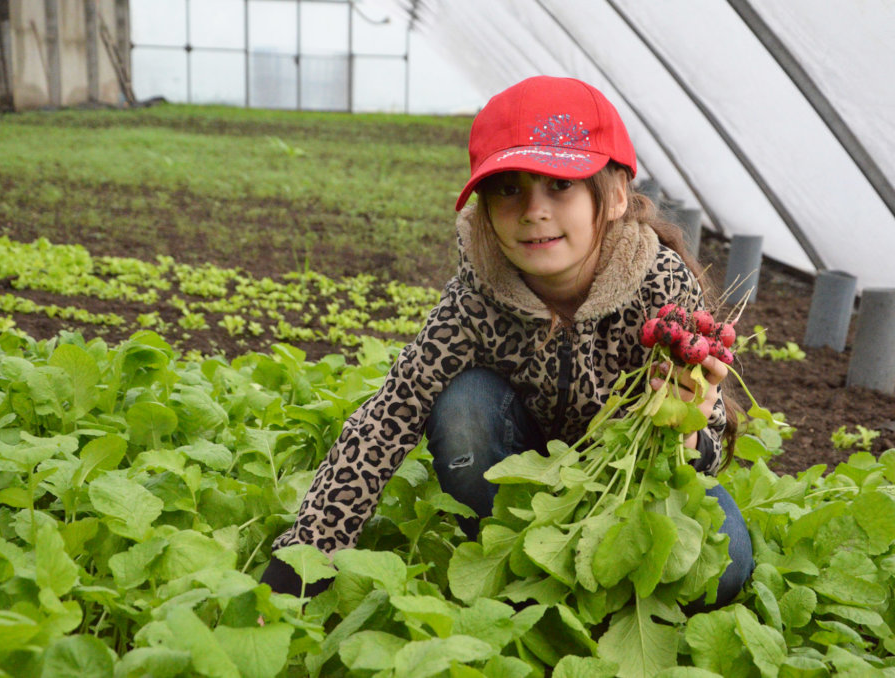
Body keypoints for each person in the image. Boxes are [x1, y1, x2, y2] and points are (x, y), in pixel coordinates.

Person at [260, 75, 753, 607]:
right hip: (519, 484)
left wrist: (686, 430)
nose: (532, 209)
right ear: (485, 208)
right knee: (463, 404)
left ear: (612, 196)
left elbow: (703, 450)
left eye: (559, 185)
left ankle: (578, 569)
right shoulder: (475, 301)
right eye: (508, 187)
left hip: (625, 484)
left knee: (723, 568)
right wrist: (305, 560)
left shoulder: (661, 288)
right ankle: (514, 556)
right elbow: (388, 418)